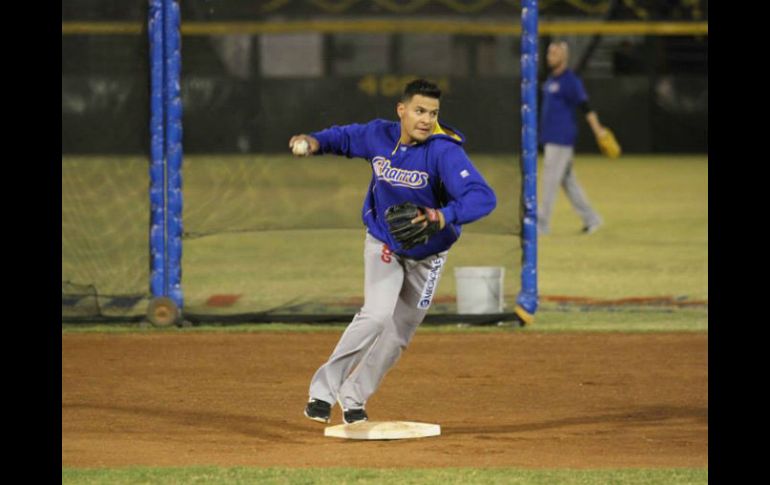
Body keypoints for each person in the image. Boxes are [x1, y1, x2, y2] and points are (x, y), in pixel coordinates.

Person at [289, 79, 496, 425]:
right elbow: (342, 138)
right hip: (384, 242)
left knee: (398, 334)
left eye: (433, 113)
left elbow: (482, 196)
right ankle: (323, 393)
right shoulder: (378, 136)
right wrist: (313, 142)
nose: (426, 119)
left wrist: (443, 215)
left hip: (429, 257)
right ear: (401, 110)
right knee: (375, 315)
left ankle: (354, 396)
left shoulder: (444, 152)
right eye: (419, 110)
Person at [538, 41, 608, 235]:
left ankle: (541, 225)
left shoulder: (570, 81)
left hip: (561, 138)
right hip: (552, 138)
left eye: (554, 53)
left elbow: (586, 107)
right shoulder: (552, 79)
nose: (549, 56)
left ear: (563, 57)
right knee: (568, 183)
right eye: (549, 52)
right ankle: (592, 219)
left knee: (550, 182)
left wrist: (598, 130)